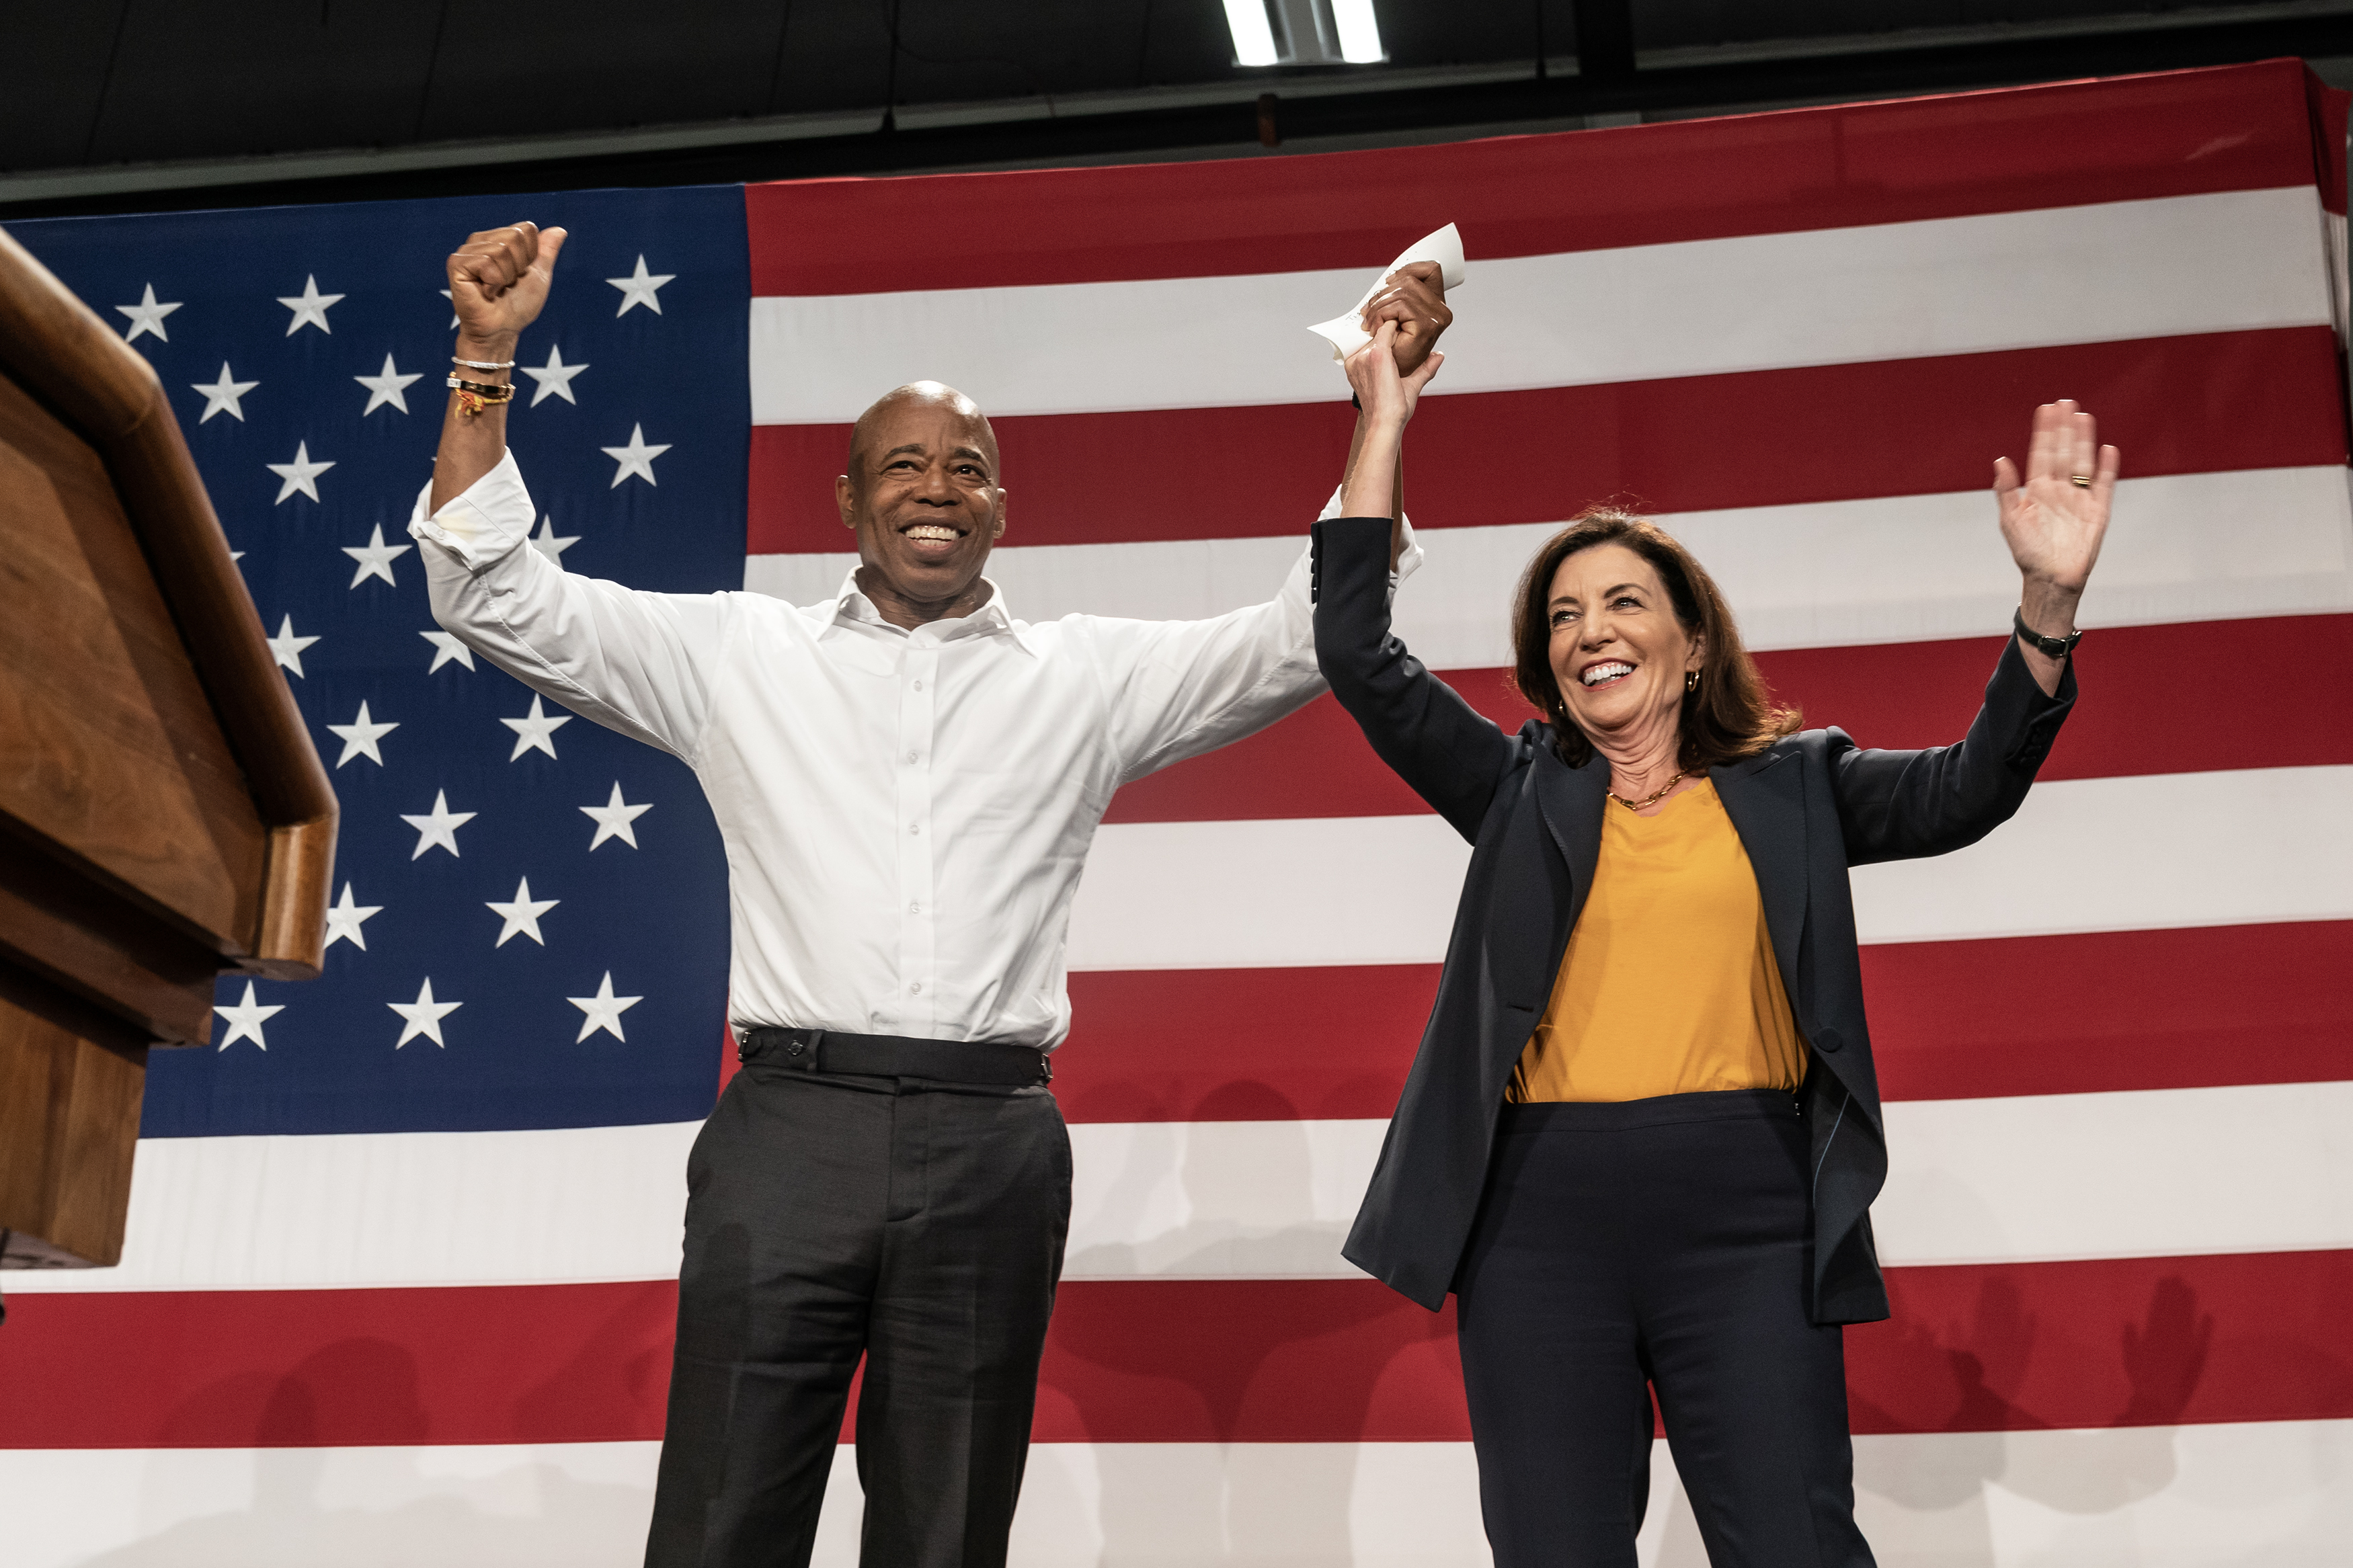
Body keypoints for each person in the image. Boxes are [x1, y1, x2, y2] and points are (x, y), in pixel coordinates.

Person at [407, 222, 1448, 1567]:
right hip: (789, 1133)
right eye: (903, 463)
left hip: (989, 1145)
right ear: (848, 501)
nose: (935, 488)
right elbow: (491, 591)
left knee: (945, 1536)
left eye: (967, 467)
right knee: (724, 1522)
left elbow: (1318, 632)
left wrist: (1380, 409)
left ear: (1003, 507)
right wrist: (484, 360)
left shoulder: (1082, 677)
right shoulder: (739, 655)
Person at [1314, 318, 2113, 1565]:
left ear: (1691, 643)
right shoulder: (1515, 790)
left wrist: (2047, 610)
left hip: (1746, 1209)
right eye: (1565, 614)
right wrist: (1385, 421)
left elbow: (1966, 790)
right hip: (1535, 1222)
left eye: (1624, 601)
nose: (1591, 630)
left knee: (1791, 1544)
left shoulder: (1794, 786)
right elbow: (1359, 656)